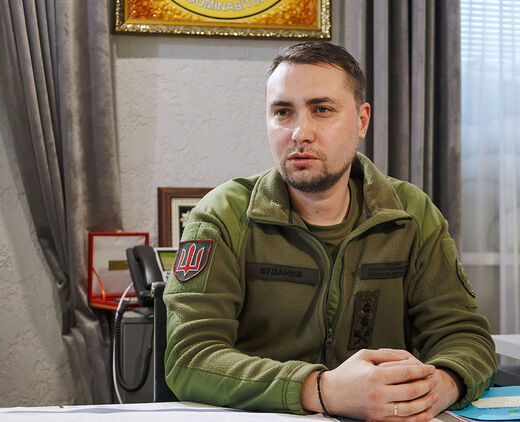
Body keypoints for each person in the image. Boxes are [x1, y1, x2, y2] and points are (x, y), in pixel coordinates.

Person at [163, 41, 496, 421]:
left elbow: (464, 336)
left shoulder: (411, 214)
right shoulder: (223, 215)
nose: (300, 133)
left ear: (361, 121)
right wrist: (322, 390)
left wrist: (439, 386)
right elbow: (189, 356)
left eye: (321, 110)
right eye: (282, 112)